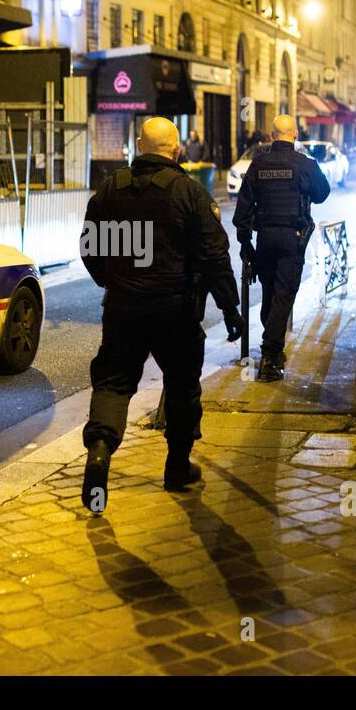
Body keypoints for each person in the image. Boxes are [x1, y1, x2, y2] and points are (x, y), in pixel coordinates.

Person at [79, 117, 244, 512]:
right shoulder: (188, 192)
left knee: (114, 383)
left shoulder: (109, 191)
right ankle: (176, 467)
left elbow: (90, 249)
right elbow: (214, 255)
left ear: (139, 145)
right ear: (176, 149)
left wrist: (114, 281)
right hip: (175, 309)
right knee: (183, 384)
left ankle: (100, 448)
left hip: (122, 309)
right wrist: (230, 307)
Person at [234, 113, 331, 383]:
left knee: (270, 295)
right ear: (295, 134)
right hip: (292, 238)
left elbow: (243, 206)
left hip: (264, 238)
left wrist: (245, 242)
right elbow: (322, 194)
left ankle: (273, 349)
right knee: (283, 297)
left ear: (272, 135)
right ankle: (269, 356)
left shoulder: (258, 163)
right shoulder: (305, 164)